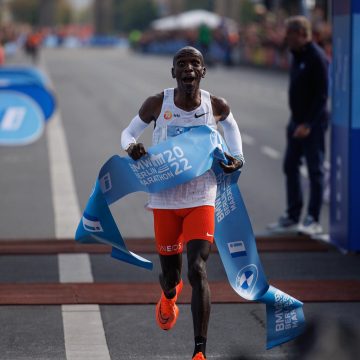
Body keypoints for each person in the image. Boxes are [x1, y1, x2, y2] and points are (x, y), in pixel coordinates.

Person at [121, 46, 244, 360]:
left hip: (202, 194)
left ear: (202, 72)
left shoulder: (215, 104)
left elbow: (230, 126)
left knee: (197, 268)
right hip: (164, 198)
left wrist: (237, 156)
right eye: (182, 64)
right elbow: (128, 133)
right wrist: (133, 146)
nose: (188, 68)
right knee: (173, 276)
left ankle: (199, 351)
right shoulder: (156, 104)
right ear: (173, 72)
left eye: (195, 63)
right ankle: (167, 294)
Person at [268, 16, 329, 236]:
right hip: (295, 122)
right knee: (290, 166)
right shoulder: (296, 55)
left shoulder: (317, 57)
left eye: (291, 35)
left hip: (312, 124)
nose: (287, 39)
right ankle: (293, 215)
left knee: (315, 170)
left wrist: (309, 124)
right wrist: (297, 121)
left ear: (303, 34)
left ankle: (313, 218)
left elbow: (322, 96)